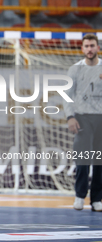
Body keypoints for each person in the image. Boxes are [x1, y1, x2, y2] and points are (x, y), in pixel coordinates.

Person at [63, 33, 102, 212]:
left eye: (92, 45)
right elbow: (67, 96)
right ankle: (79, 196)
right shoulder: (75, 70)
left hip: (100, 118)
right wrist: (70, 117)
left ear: (97, 47)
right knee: (83, 160)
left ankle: (97, 199)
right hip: (82, 118)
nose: (89, 49)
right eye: (86, 46)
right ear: (82, 49)